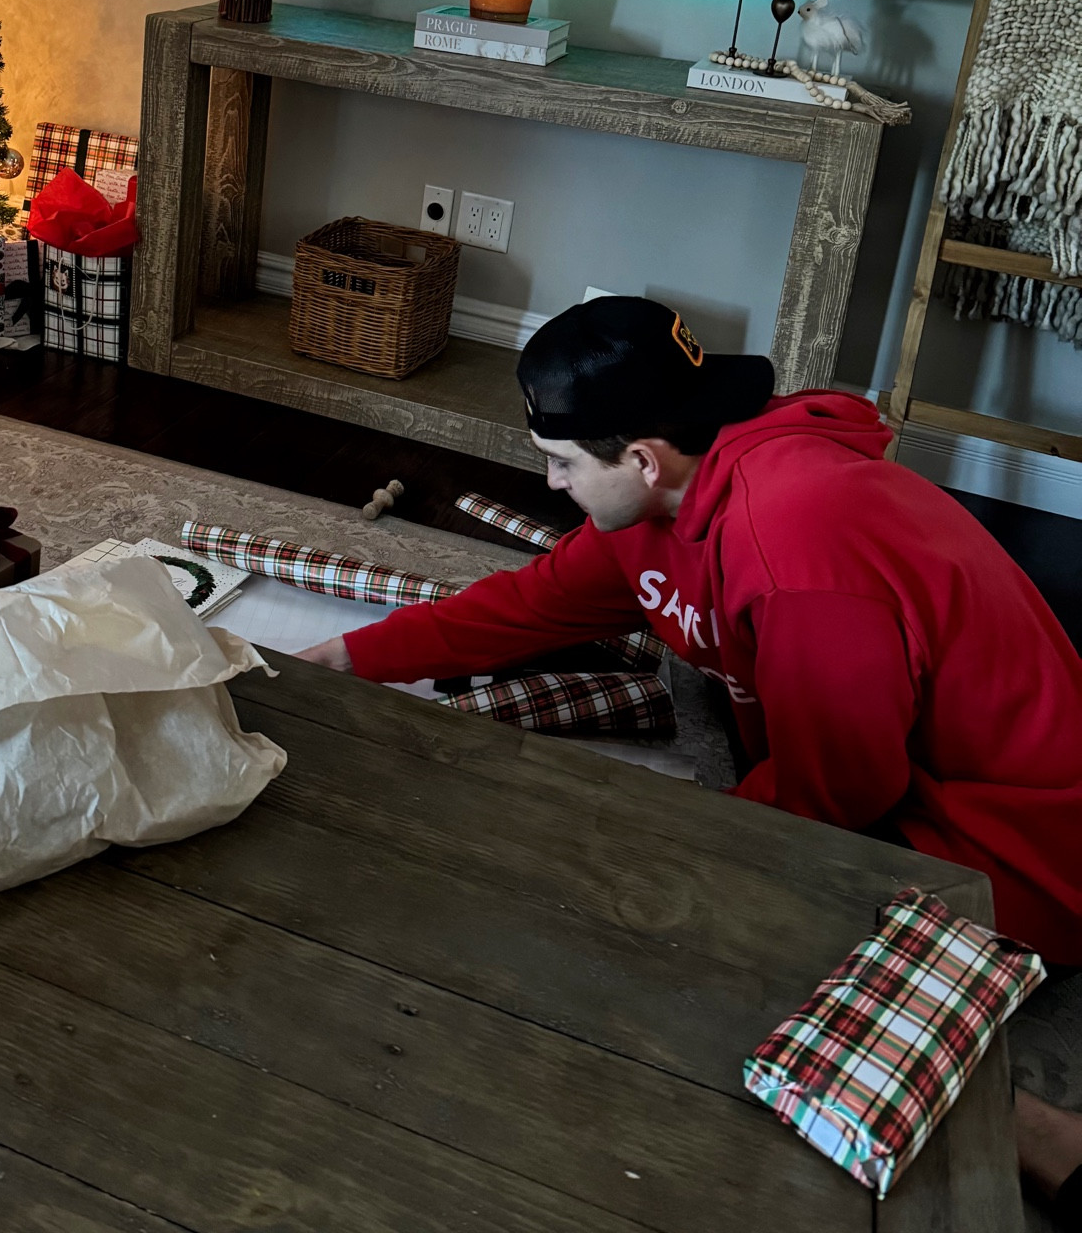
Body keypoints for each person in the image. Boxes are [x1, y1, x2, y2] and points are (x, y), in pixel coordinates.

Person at [298, 296, 1082, 1217]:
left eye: (559, 463)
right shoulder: (666, 501)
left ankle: (1032, 1126)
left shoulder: (793, 543)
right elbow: (534, 603)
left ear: (641, 458)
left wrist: (676, 858)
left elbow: (846, 791)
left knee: (670, 945)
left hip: (1018, 841)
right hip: (893, 771)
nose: (549, 485)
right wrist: (343, 658)